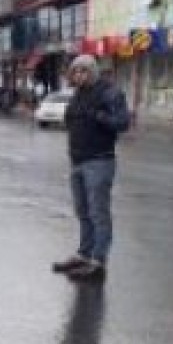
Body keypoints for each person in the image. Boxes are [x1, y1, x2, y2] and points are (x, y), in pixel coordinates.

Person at [51, 54, 130, 281]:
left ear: (93, 71)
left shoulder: (109, 93)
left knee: (98, 213)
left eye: (84, 71)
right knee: (82, 211)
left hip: (99, 161)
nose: (79, 75)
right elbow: (71, 120)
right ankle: (84, 254)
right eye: (76, 71)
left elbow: (122, 123)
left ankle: (98, 261)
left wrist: (98, 116)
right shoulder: (78, 94)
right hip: (77, 161)